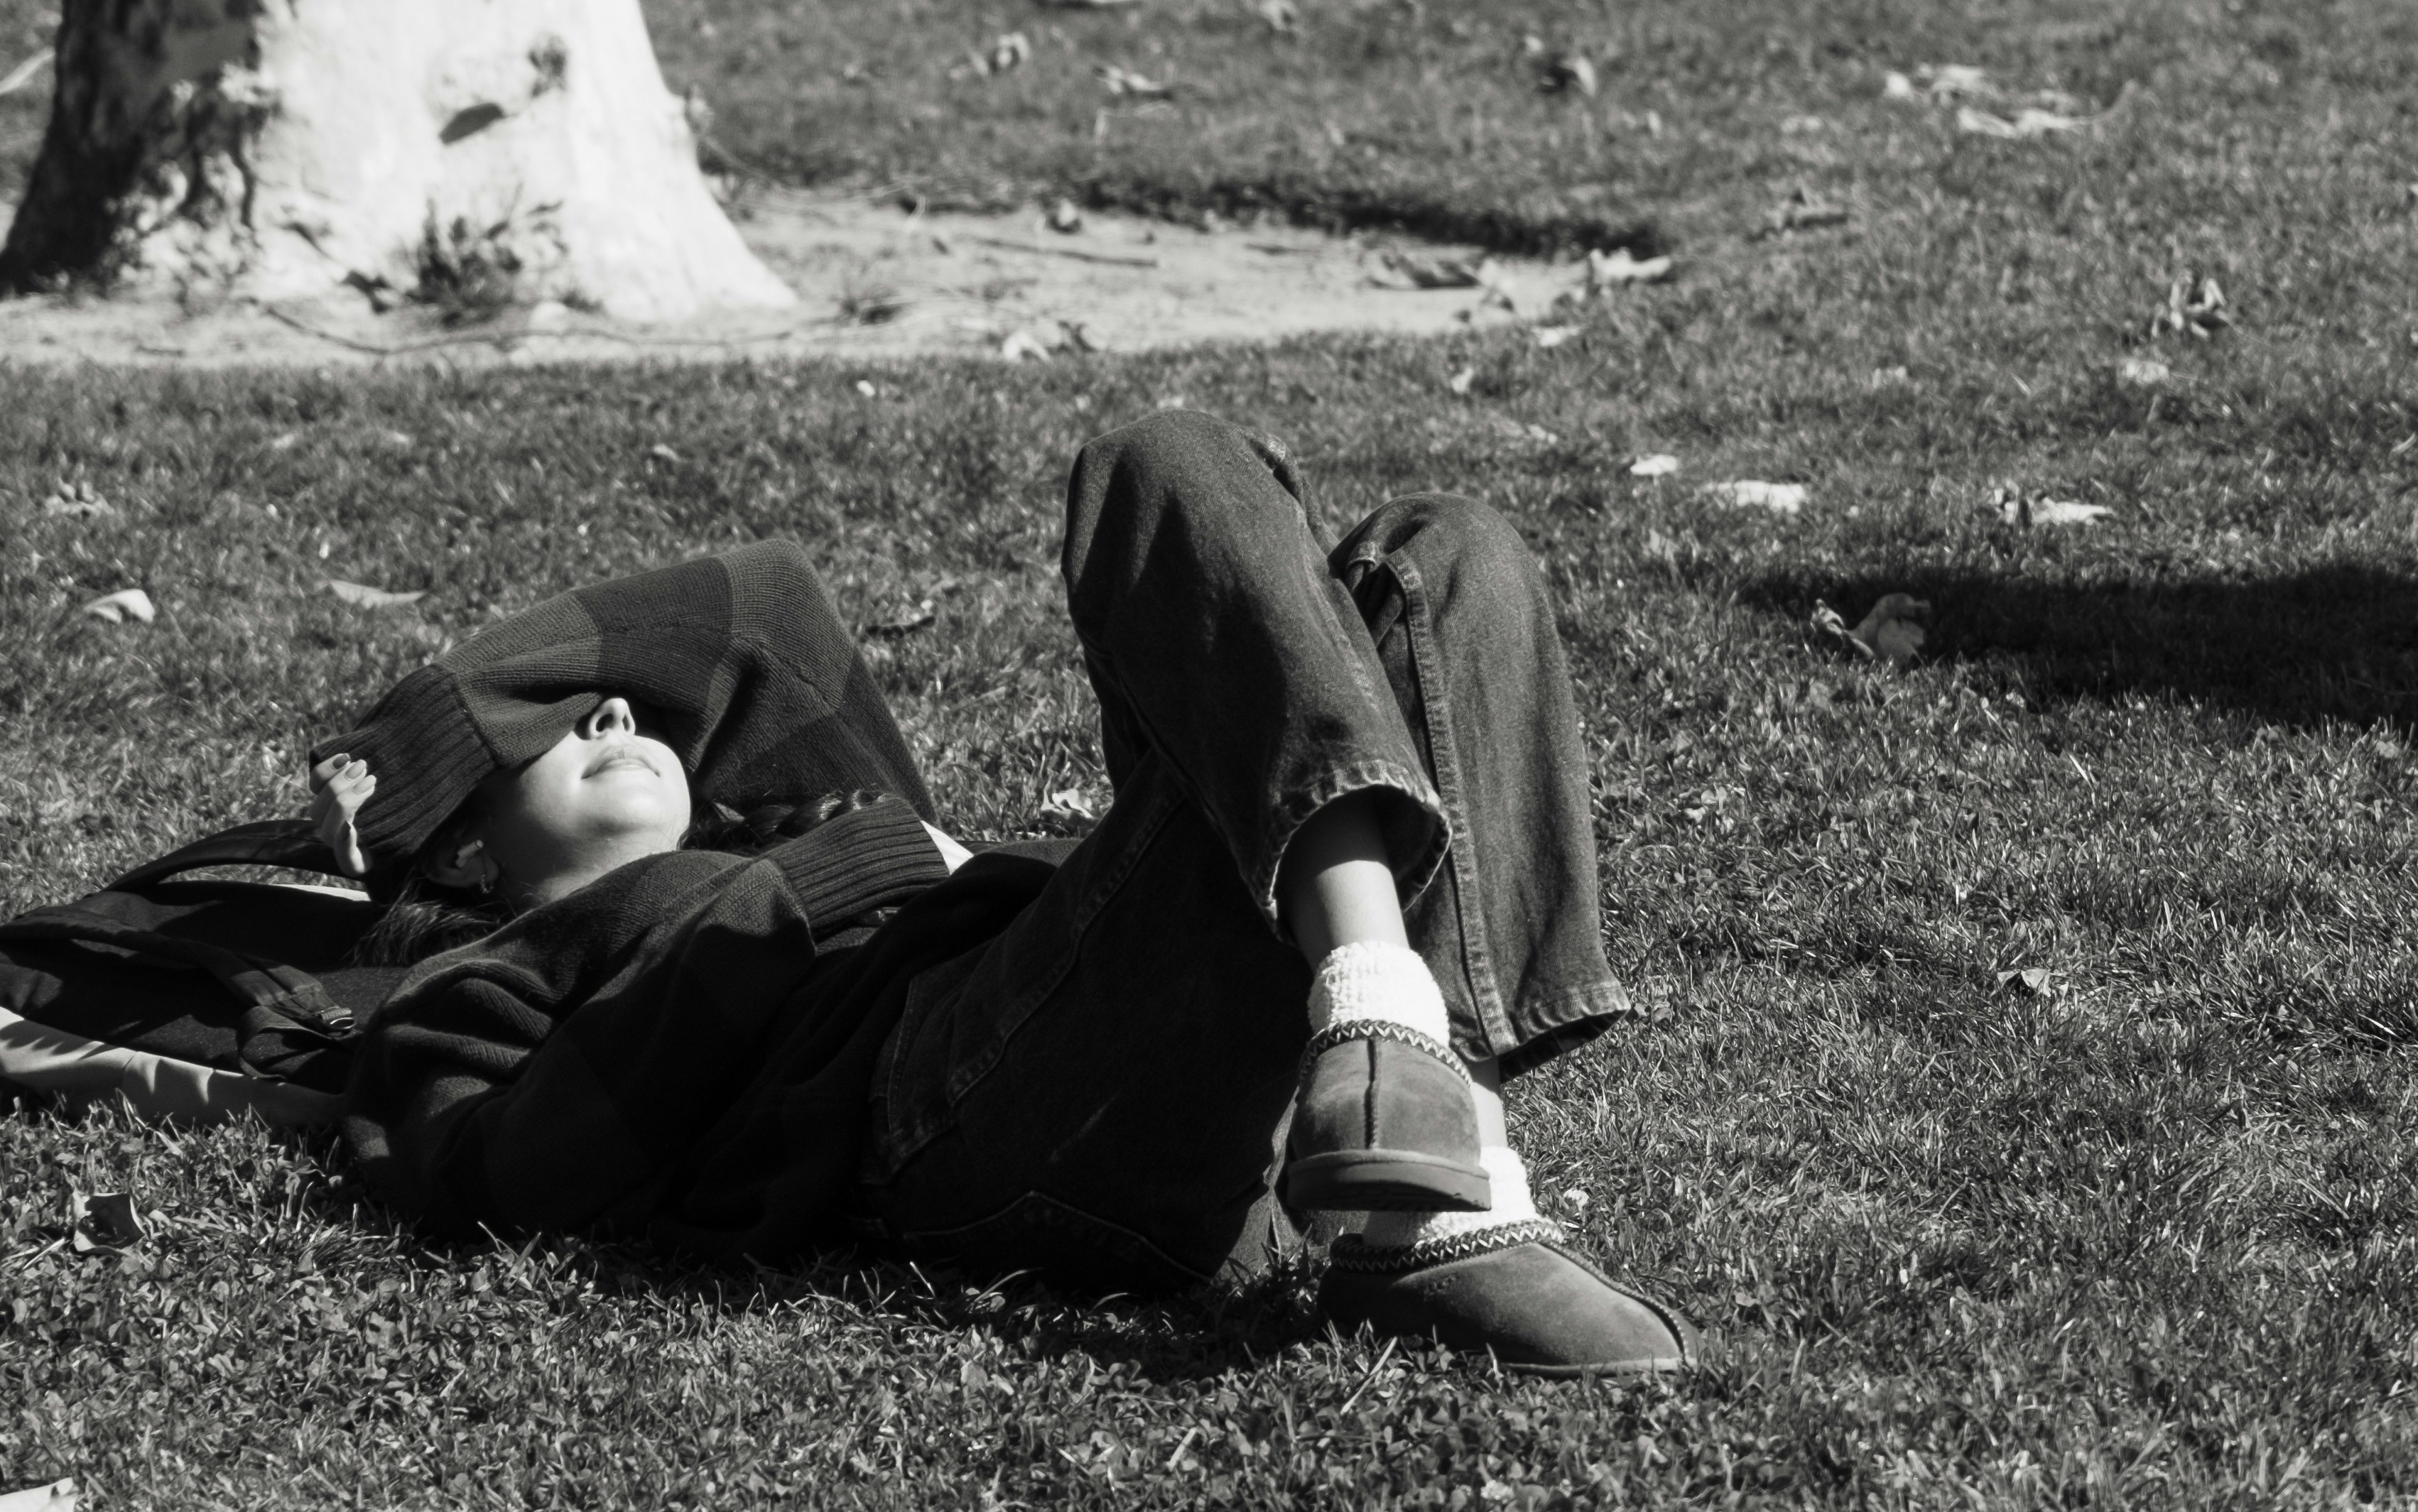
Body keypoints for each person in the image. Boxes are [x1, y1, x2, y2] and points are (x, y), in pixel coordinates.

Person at [303, 410, 1688, 1377]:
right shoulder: (479, 985)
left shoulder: (804, 799)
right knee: (1237, 492)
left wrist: (837, 850)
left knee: (1410, 541)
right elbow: (508, 1174)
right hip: (949, 1121)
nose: (611, 707)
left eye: (631, 713)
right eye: (543, 730)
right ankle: (1431, 1142)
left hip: (1138, 1067)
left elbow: (742, 607)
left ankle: (1403, 1096)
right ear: (470, 852)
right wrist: (420, 749)